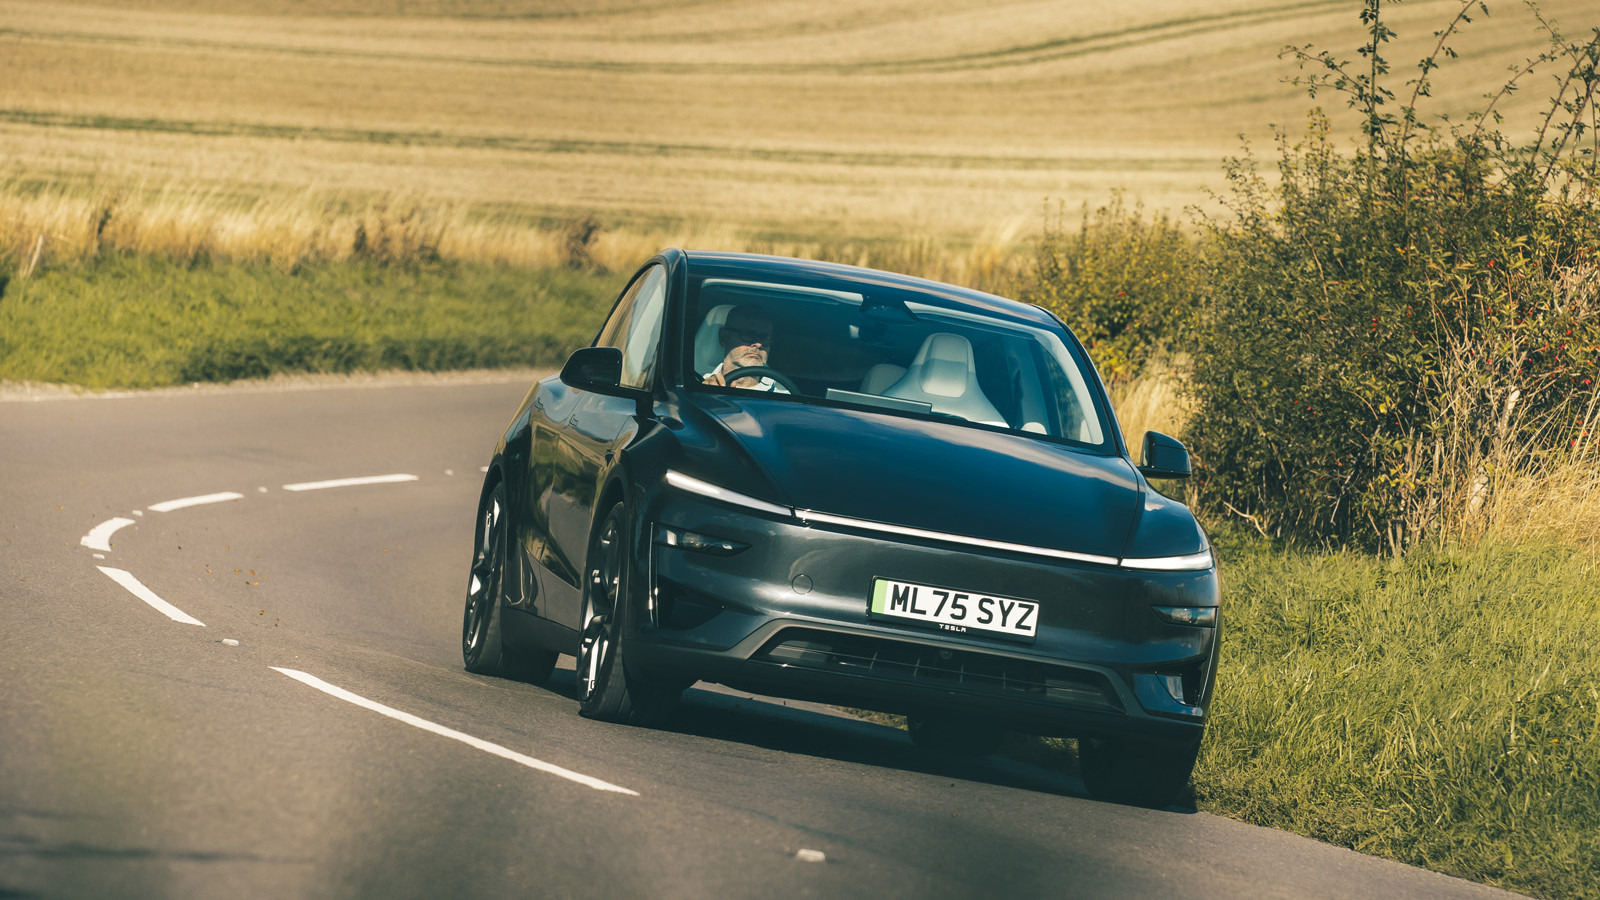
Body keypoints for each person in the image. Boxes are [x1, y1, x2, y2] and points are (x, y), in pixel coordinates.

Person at [702, 304, 790, 393]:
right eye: (749, 335)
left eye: (765, 338)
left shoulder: (783, 394)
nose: (759, 344)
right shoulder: (700, 385)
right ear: (724, 338)